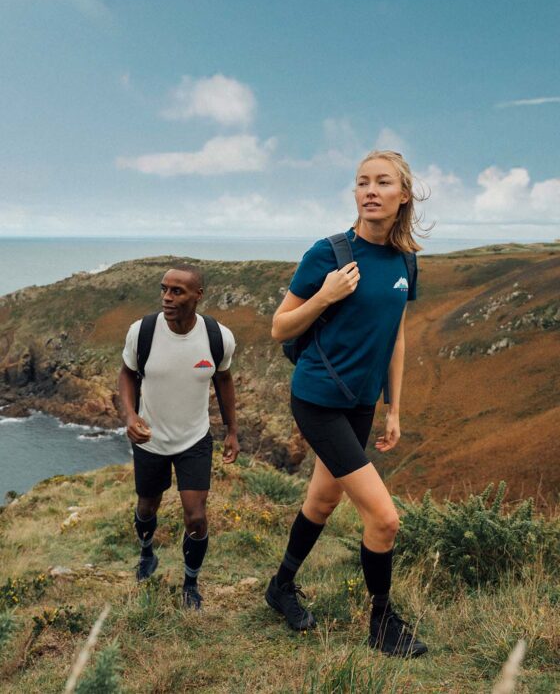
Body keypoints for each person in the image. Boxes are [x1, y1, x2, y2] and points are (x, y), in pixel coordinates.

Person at [265, 150, 428, 657]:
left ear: (403, 195)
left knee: (323, 500)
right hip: (317, 398)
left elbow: (394, 336)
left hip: (359, 403)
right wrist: (324, 296)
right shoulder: (328, 253)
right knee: (385, 519)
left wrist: (393, 408)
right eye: (362, 182)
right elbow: (279, 327)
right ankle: (382, 624)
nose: (370, 191)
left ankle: (280, 587)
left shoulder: (405, 262)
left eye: (383, 183)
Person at [118, 264, 239, 610]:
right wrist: (130, 415)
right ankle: (146, 553)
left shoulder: (218, 338)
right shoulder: (142, 332)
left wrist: (232, 430)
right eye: (164, 290)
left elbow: (224, 380)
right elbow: (126, 374)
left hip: (194, 440)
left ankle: (191, 583)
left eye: (177, 291)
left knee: (196, 517)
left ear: (198, 296)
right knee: (146, 506)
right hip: (150, 440)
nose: (166, 298)